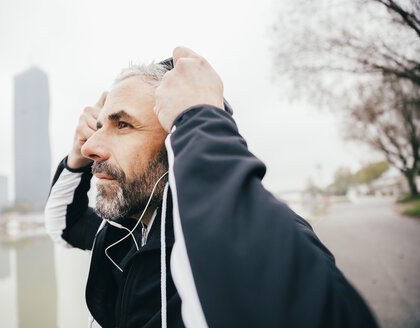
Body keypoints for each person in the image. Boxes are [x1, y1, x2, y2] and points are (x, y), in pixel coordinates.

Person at [45, 47, 378, 328]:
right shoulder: (123, 228)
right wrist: (74, 160)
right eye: (99, 126)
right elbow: (63, 226)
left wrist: (197, 116)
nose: (92, 147)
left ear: (177, 141)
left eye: (123, 124)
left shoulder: (250, 231)